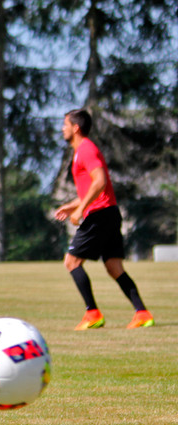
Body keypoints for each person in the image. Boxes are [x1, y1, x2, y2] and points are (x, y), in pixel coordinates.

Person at [54, 108, 153, 330]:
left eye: (65, 124)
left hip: (99, 214)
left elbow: (100, 181)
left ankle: (92, 313)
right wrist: (73, 206)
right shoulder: (81, 151)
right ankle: (142, 313)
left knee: (71, 262)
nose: (62, 129)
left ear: (76, 128)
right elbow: (92, 188)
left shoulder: (86, 149)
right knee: (114, 266)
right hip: (108, 212)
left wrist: (81, 210)